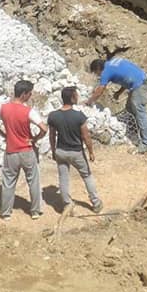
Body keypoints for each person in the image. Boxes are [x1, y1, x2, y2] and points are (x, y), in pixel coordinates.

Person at [0, 79, 47, 220]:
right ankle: (35, 211)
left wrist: (2, 133)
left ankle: (6, 212)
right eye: (30, 94)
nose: (30, 96)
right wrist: (35, 139)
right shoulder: (28, 111)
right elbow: (44, 128)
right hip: (27, 150)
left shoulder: (3, 108)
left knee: (8, 182)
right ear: (24, 94)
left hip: (11, 150)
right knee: (33, 181)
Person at [48, 86, 103, 214]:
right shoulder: (79, 116)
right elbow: (86, 136)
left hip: (61, 151)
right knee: (87, 176)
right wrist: (91, 152)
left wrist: (53, 150)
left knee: (63, 177)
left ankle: (67, 205)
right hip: (76, 152)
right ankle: (96, 203)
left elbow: (52, 136)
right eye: (76, 95)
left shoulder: (53, 116)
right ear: (72, 98)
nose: (78, 97)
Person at [85, 57, 147, 154]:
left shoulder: (106, 72)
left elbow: (100, 90)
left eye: (96, 72)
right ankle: (133, 133)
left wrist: (89, 101)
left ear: (98, 69)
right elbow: (126, 75)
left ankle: (145, 144)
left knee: (140, 113)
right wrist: (119, 92)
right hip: (139, 80)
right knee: (129, 109)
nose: (97, 75)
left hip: (139, 85)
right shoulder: (113, 63)